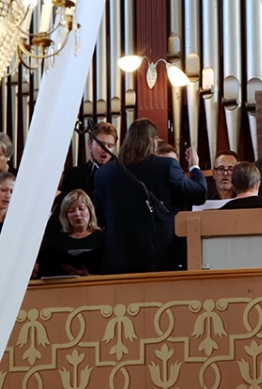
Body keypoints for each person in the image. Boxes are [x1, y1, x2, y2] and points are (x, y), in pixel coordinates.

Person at [95, 119, 207, 273]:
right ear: (153, 141)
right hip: (160, 258)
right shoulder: (166, 166)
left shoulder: (103, 174)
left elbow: (100, 218)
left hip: (117, 260)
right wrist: (194, 166)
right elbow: (199, 194)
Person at [39, 190, 105, 277]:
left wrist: (89, 277)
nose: (77, 214)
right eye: (71, 211)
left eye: (81, 208)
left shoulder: (103, 239)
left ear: (90, 210)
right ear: (65, 216)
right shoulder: (56, 242)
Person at [58, 121, 118, 203]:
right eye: (101, 144)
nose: (105, 150)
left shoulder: (118, 176)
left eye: (110, 146)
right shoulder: (71, 176)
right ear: (89, 144)